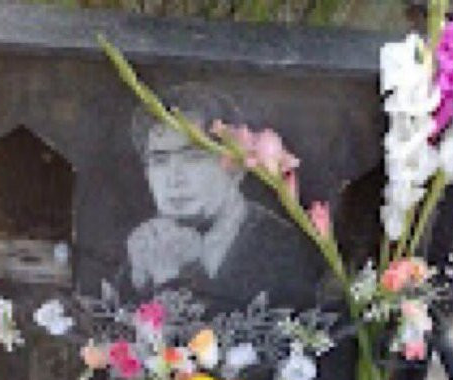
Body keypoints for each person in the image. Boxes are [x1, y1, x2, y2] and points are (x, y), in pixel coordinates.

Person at [121, 83, 321, 310]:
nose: (174, 179)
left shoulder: (283, 249)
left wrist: (170, 279)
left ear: (236, 167)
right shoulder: (146, 244)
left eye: (194, 157)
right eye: (160, 161)